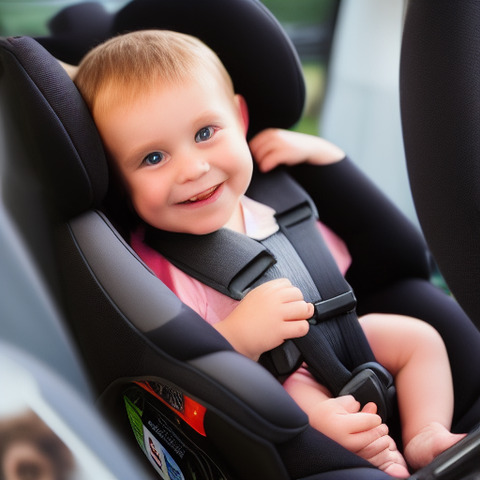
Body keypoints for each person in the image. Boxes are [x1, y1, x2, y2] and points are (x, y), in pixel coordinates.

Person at [73, 30, 465, 477]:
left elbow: (345, 275)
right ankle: (369, 453)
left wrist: (323, 158)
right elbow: (185, 372)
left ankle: (425, 433)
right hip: (273, 379)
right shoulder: (150, 265)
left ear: (239, 119)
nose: (194, 168)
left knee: (419, 339)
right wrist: (238, 336)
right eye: (153, 158)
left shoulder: (275, 203)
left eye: (205, 132)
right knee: (303, 411)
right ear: (118, 177)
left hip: (344, 338)